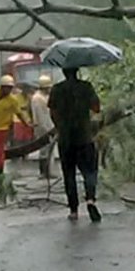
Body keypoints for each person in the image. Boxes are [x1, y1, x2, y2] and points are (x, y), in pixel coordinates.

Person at [48, 66, 102, 222]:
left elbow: (52, 112)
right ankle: (90, 199)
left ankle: (73, 210)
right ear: (77, 71)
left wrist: (60, 126)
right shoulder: (86, 87)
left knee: (69, 174)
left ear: (64, 73)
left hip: (66, 139)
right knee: (90, 171)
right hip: (84, 137)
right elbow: (97, 108)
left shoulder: (57, 89)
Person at [31, 73, 55, 177]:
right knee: (44, 150)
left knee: (49, 149)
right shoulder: (38, 98)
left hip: (48, 126)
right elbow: (41, 116)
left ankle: (48, 171)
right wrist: (47, 129)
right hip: (43, 127)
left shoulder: (44, 97)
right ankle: (44, 172)